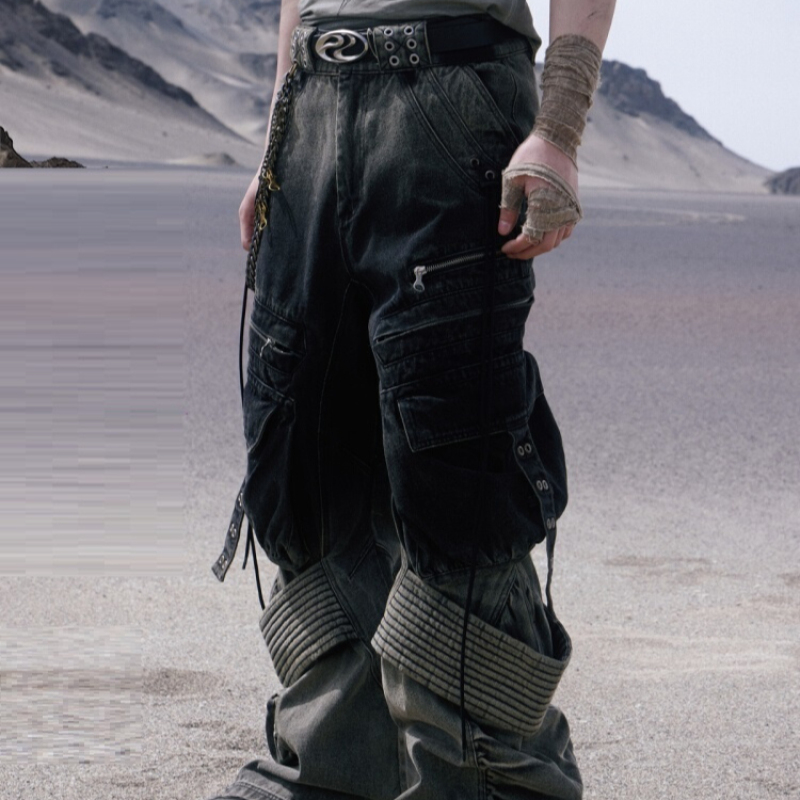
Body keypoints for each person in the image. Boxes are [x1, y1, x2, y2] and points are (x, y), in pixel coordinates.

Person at [209, 0, 615, 798]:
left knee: (453, 469)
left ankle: (485, 779)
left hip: (450, 94)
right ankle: (331, 772)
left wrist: (560, 127)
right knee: (301, 460)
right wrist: (275, 140)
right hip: (311, 106)